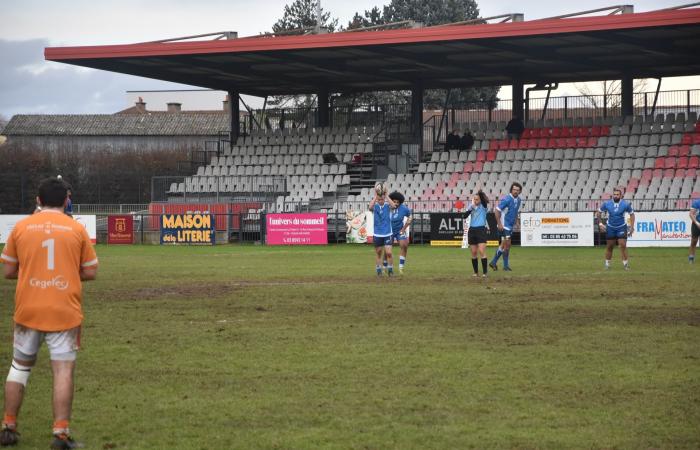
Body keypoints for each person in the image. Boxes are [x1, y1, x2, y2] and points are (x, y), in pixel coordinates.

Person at [0, 177, 98, 449]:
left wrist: (34, 272)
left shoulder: (21, 227)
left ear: (38, 201)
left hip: (28, 309)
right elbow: (90, 271)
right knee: (63, 371)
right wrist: (64, 272)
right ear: (67, 200)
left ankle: (8, 427)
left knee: (19, 367)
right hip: (63, 310)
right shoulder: (75, 229)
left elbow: (8, 271)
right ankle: (60, 434)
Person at [595, 188, 635, 270]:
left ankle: (626, 265)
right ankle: (607, 264)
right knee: (610, 246)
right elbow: (598, 212)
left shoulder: (625, 204)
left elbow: (632, 214)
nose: (616, 196)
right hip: (610, 227)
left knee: (623, 245)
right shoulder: (607, 203)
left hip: (621, 227)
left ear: (621, 196)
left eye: (617, 194)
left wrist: (631, 227)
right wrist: (600, 223)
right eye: (614, 194)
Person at [490, 182, 523, 271]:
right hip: (504, 226)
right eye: (514, 189)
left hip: (510, 226)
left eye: (517, 190)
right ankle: (505, 266)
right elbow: (497, 211)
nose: (515, 191)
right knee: (507, 245)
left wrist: (517, 222)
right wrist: (499, 224)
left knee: (503, 244)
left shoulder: (519, 200)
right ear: (511, 190)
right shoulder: (507, 199)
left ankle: (493, 262)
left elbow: (515, 212)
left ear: (520, 191)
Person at [369, 183, 396, 276]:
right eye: (379, 200)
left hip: (388, 233)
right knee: (379, 253)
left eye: (382, 199)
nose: (381, 201)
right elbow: (370, 207)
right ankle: (378, 270)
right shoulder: (375, 206)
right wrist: (376, 196)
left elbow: (394, 206)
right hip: (377, 234)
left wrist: (386, 195)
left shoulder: (387, 206)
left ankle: (390, 270)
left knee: (389, 252)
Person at [384, 191, 412, 275]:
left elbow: (410, 217)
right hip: (389, 231)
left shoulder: (404, 208)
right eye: (394, 201)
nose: (396, 203)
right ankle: (384, 267)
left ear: (400, 202)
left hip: (399, 230)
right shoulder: (387, 207)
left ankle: (401, 268)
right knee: (387, 250)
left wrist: (404, 229)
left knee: (404, 245)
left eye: (397, 202)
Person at [465, 191, 490, 278]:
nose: (476, 201)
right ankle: (475, 272)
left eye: (477, 199)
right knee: (474, 252)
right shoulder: (471, 206)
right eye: (474, 199)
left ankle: (485, 273)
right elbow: (464, 216)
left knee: (481, 251)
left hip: (481, 230)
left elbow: (484, 200)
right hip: (472, 230)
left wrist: (480, 193)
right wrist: (470, 209)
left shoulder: (483, 206)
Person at [688, 198, 699, 263]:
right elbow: (691, 214)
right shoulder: (697, 202)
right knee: (694, 241)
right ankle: (691, 257)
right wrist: (697, 223)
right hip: (696, 224)